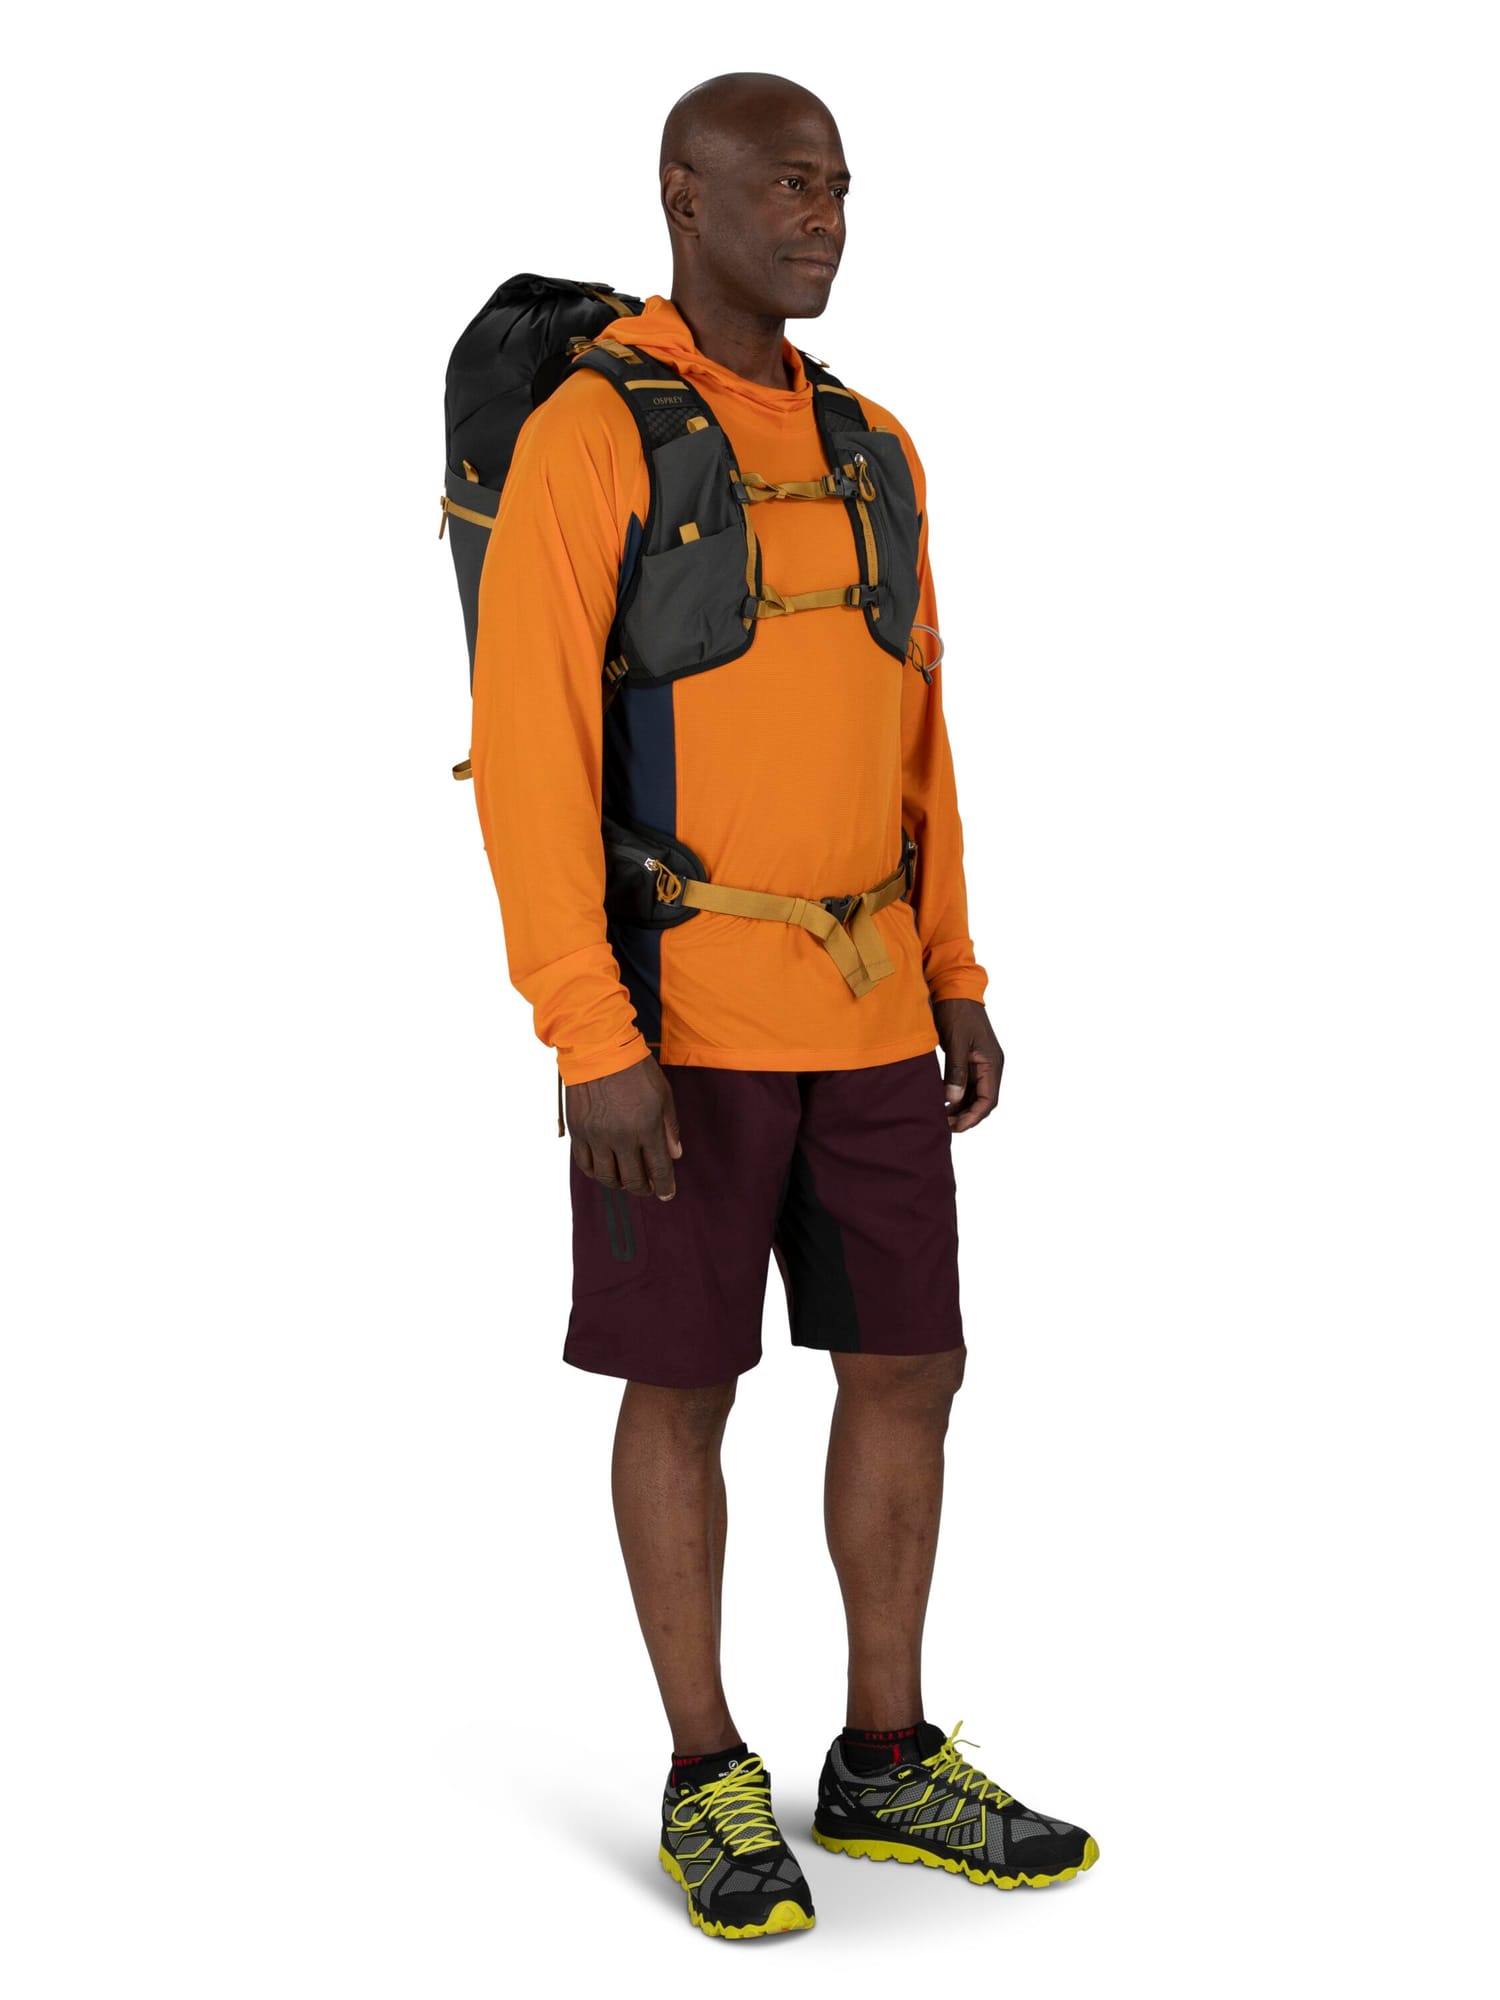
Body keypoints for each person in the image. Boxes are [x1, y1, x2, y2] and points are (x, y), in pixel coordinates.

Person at [469, 70, 1096, 1941]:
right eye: (790, 186)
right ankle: (705, 1773)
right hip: (676, 1028)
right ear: (687, 195)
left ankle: (886, 1759)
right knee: (684, 1387)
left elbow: (920, 734)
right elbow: (528, 756)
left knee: (910, 1366)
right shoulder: (594, 435)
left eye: (839, 187)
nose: (824, 217)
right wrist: (590, 1032)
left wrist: (956, 973)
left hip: (874, 1010)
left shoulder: (878, 443)